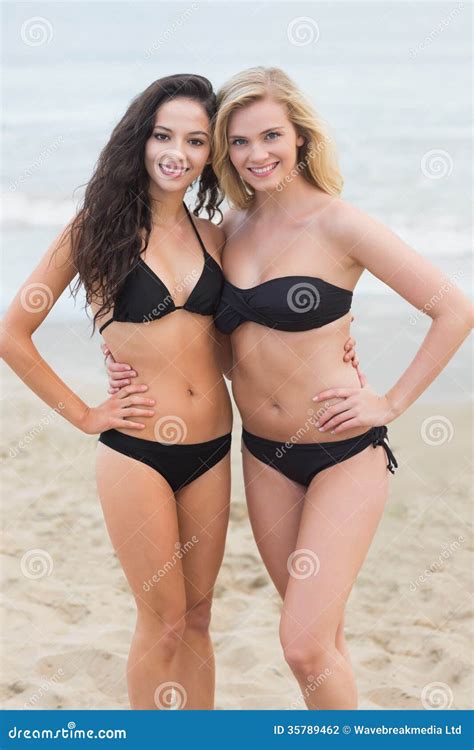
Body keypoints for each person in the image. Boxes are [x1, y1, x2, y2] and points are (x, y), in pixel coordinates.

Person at [106, 67, 473, 710]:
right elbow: (213, 339)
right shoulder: (230, 233)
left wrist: (390, 400)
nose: (256, 155)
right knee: (319, 641)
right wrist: (135, 361)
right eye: (239, 143)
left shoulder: (340, 224)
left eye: (270, 136)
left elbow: (454, 309)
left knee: (303, 642)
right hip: (264, 457)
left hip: (344, 452)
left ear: (300, 137)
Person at [1, 74, 235, 710]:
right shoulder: (97, 230)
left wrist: (337, 345)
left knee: (198, 622)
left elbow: (245, 337)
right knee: (160, 624)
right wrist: (84, 412)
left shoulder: (216, 235)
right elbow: (13, 333)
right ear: (140, 139)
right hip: (135, 451)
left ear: (210, 153)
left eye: (194, 140)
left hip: (214, 446)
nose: (176, 152)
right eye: (163, 134)